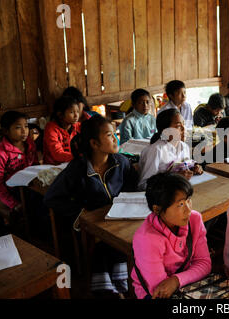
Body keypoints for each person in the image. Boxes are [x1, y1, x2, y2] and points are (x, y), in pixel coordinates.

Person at [44, 114, 139, 296]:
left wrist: (128, 205)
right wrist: (82, 215)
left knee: (122, 242)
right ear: (94, 144)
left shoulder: (121, 162)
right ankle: (111, 288)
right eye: (110, 135)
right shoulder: (77, 169)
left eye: (115, 134)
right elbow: (51, 197)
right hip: (94, 225)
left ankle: (117, 285)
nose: (116, 139)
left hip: (121, 219)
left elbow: (132, 188)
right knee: (105, 246)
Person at [131, 172, 212, 299]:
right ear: (157, 209)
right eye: (180, 204)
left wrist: (176, 280)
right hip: (152, 293)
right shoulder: (147, 239)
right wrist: (183, 278)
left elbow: (204, 263)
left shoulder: (194, 219)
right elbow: (160, 290)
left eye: (188, 200)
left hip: (183, 283)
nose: (189, 210)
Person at [138, 108, 203, 190]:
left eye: (184, 124)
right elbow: (143, 185)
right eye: (178, 126)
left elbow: (186, 165)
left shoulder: (184, 147)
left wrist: (194, 167)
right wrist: (173, 179)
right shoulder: (156, 150)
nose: (184, 129)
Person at [0, 111, 37, 211]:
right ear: (6, 131)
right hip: (12, 190)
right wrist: (13, 203)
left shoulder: (30, 144)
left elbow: (36, 166)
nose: (24, 131)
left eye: (26, 126)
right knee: (35, 202)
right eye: (18, 127)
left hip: (30, 183)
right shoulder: (0, 153)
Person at [43, 96, 81, 165]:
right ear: (60, 114)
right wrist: (79, 157)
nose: (76, 115)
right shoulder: (51, 129)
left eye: (77, 111)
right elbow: (57, 154)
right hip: (53, 167)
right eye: (72, 112)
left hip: (72, 163)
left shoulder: (78, 126)